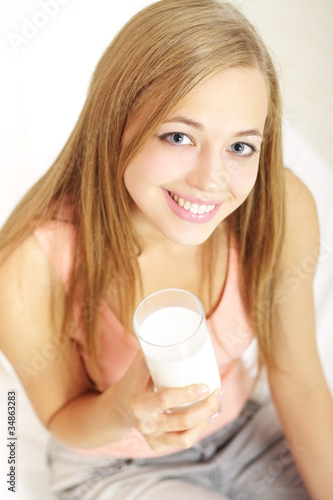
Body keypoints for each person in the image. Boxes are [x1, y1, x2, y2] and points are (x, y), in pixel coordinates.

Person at [0, 0, 332, 498]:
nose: (210, 181)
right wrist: (121, 407)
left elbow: (297, 376)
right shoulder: (30, 268)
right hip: (119, 466)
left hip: (247, 434)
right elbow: (61, 417)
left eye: (240, 147)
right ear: (116, 121)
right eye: (179, 136)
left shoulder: (282, 208)